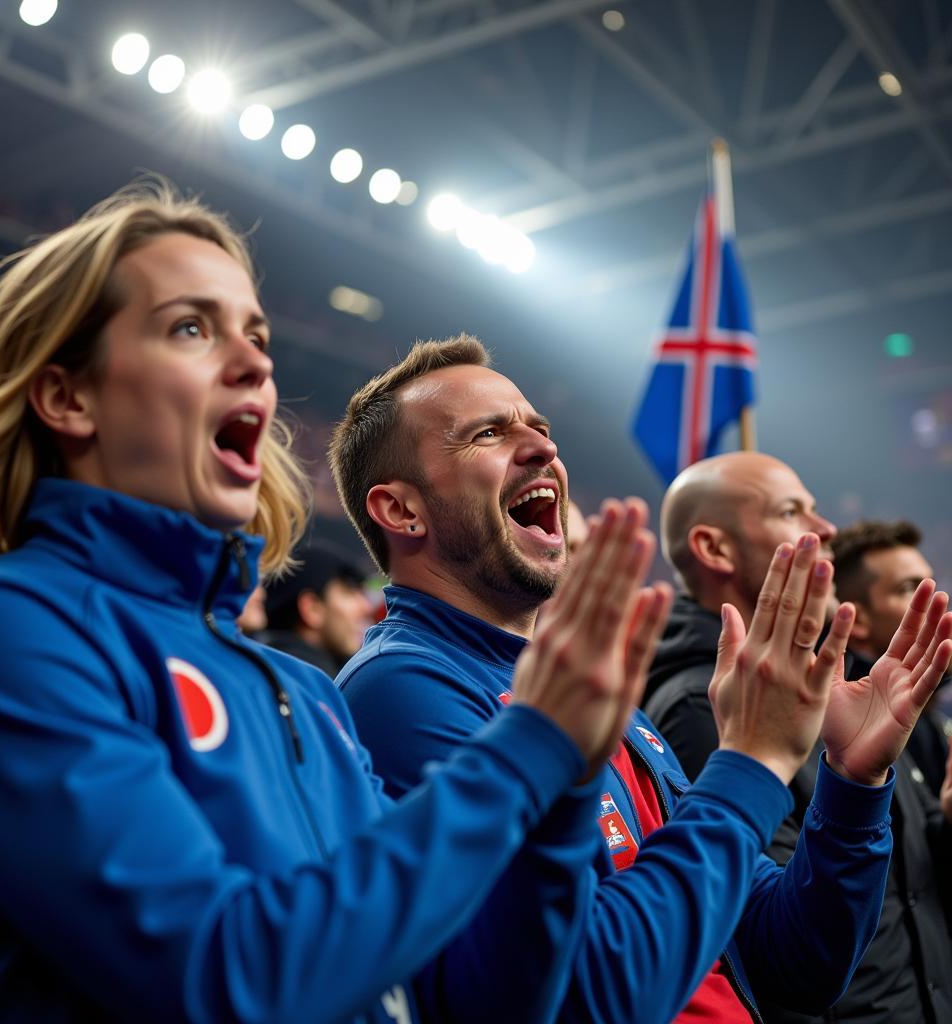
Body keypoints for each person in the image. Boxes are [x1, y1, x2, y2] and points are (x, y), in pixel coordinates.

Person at [0, 184, 672, 1023]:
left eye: (255, 333)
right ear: (67, 397)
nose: (254, 363)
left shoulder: (301, 689)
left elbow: (472, 1000)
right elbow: (222, 980)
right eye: (189, 328)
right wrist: (529, 749)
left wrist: (564, 785)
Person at [330, 335, 951, 1024]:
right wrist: (749, 762)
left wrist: (853, 786)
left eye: (540, 428)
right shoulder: (401, 691)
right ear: (401, 511)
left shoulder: (591, 690)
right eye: (488, 434)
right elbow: (582, 996)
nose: (544, 450)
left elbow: (798, 964)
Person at [646, 454, 952, 1024]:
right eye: (792, 511)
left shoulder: (845, 685)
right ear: (716, 550)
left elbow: (909, 882)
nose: (828, 528)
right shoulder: (699, 704)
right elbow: (777, 943)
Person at [832, 518, 951, 796]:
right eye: (909, 589)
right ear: (857, 620)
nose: (937, 602)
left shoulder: (925, 715)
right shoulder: (847, 732)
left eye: (931, 586)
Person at [245, 539, 375, 677]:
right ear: (312, 609)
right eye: (349, 593)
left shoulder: (266, 667)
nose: (367, 607)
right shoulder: (311, 683)